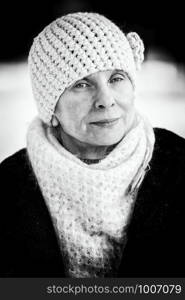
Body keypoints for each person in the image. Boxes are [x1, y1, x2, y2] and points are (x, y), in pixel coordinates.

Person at [0, 12, 185, 278]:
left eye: (116, 78)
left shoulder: (178, 165)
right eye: (82, 84)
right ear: (51, 108)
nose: (105, 100)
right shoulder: (9, 187)